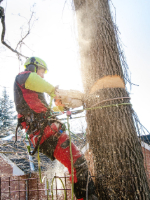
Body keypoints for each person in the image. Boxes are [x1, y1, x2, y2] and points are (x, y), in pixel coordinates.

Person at [14, 57, 98, 200]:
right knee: (78, 164)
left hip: (47, 133)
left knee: (77, 164)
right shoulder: (23, 77)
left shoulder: (33, 95)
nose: (43, 75)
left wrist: (61, 106)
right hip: (46, 134)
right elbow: (37, 81)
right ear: (34, 68)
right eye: (42, 71)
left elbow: (45, 110)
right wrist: (55, 92)